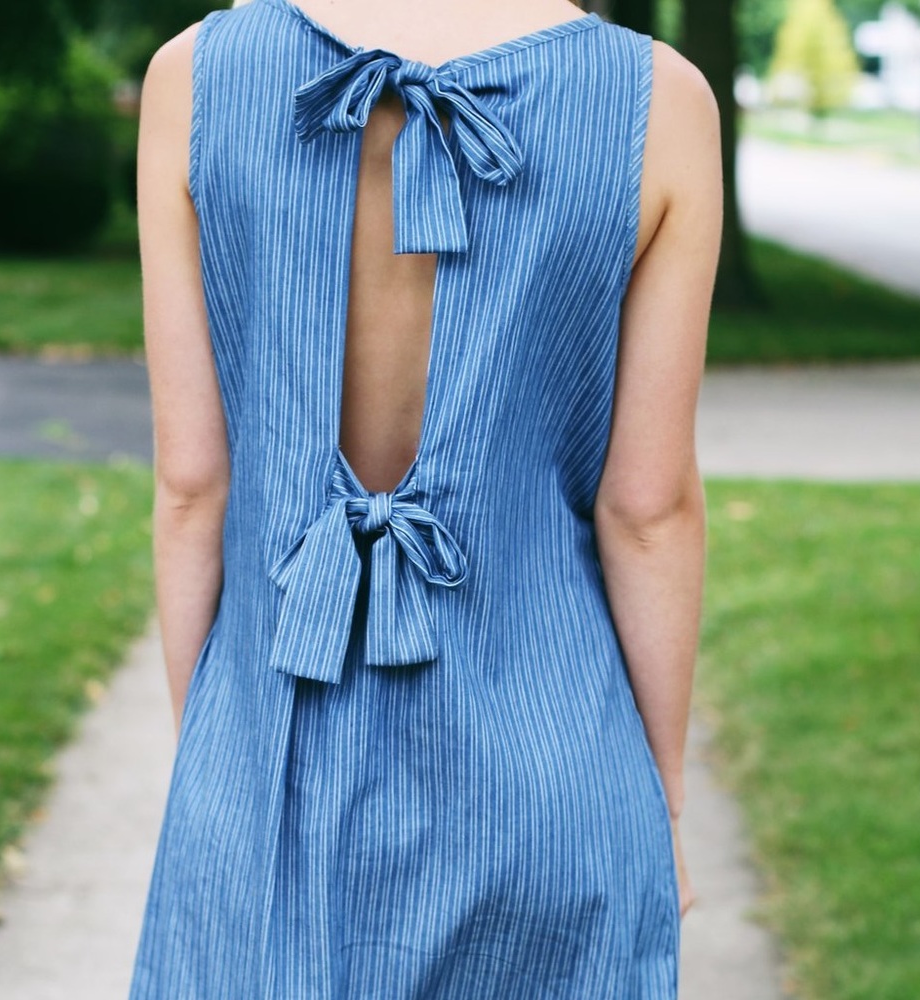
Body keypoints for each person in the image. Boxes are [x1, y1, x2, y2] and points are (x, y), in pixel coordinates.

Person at [132, 0, 720, 995]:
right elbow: (646, 509)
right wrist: (657, 795)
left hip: (276, 772)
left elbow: (193, 486)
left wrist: (218, 770)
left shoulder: (193, 76)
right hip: (551, 782)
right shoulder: (659, 102)